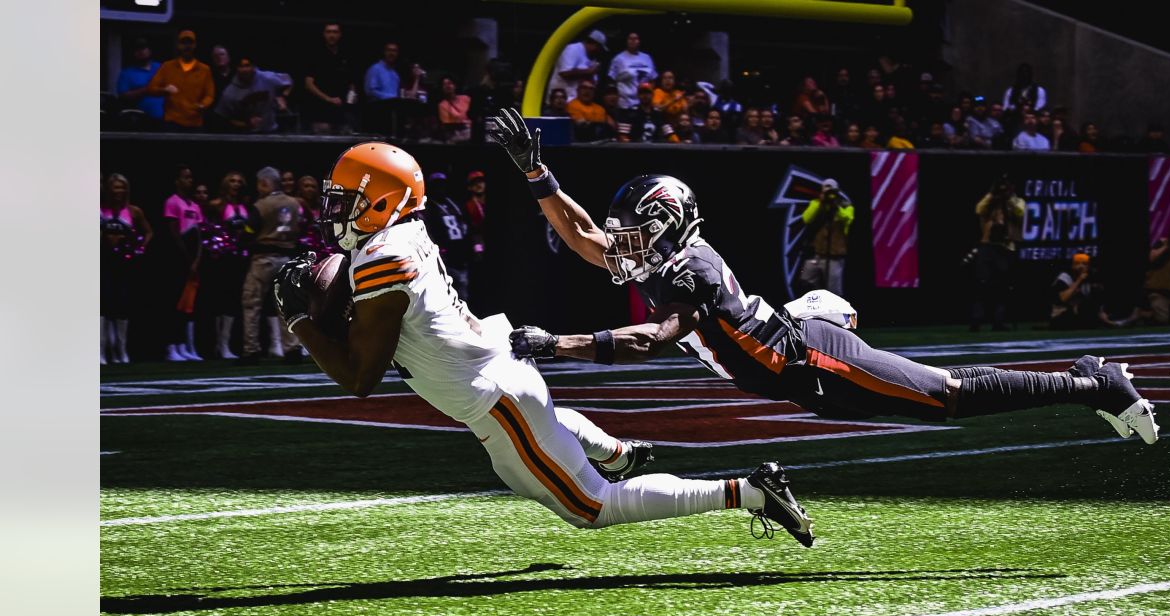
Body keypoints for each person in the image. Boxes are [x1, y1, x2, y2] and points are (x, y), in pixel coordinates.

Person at [486, 108, 1159, 451]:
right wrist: (535, 173)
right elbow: (580, 235)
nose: (623, 247)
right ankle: (1087, 377)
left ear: (665, 225)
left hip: (813, 358)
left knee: (950, 397)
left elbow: (654, 339)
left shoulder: (685, 268)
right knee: (936, 404)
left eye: (635, 233)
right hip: (798, 371)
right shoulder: (666, 258)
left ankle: (1093, 381)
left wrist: (563, 344)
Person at [272, 141, 814, 545]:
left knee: (591, 508)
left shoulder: (385, 256)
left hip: (492, 393)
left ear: (381, 200)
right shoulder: (402, 234)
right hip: (496, 366)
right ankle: (619, 452)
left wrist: (300, 320)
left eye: (346, 198)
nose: (334, 208)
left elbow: (360, 378)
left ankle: (749, 490)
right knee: (548, 435)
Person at [240, 167, 304, 364]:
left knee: (252, 304)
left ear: (266, 183)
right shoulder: (295, 204)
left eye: (260, 184)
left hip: (264, 259)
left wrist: (243, 236)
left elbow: (249, 230)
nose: (258, 188)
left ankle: (251, 351)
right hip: (287, 260)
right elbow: (302, 226)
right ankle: (292, 349)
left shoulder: (261, 205)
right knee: (286, 307)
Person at [100, 174, 153, 365]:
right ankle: (102, 350)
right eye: (115, 187)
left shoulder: (133, 211)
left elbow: (149, 231)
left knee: (122, 304)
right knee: (103, 304)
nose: (119, 191)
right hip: (103, 261)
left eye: (122, 187)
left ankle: (121, 350)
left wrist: (139, 247)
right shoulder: (100, 210)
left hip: (124, 263)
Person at [206, 171, 253, 359]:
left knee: (233, 300)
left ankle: (225, 344)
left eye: (239, 181)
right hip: (220, 259)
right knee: (218, 299)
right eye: (232, 181)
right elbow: (208, 230)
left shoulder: (245, 207)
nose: (236, 184)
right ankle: (216, 343)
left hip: (239, 259)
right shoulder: (216, 206)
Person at [162, 165, 205, 361]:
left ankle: (185, 346)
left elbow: (199, 234)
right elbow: (174, 233)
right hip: (178, 260)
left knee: (189, 306)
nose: (189, 181)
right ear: (177, 181)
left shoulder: (195, 206)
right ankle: (172, 346)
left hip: (193, 261)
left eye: (191, 177)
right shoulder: (172, 202)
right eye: (185, 177)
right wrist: (187, 259)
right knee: (175, 303)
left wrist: (196, 259)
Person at [970, 176, 1025, 331]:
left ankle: (998, 321)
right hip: (988, 247)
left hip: (1006, 247)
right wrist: (992, 194)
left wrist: (1009, 198)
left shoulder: (1017, 201)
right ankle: (976, 321)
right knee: (981, 284)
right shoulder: (989, 203)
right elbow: (978, 209)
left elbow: (1020, 211)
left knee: (1002, 287)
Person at [419, 172, 474, 301]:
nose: (440, 189)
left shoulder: (453, 204)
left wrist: (471, 246)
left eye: (442, 185)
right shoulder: (429, 207)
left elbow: (465, 224)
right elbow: (427, 230)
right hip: (444, 257)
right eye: (437, 186)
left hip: (460, 255)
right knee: (448, 293)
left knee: (463, 292)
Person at [146, 30, 215, 131]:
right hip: (172, 122)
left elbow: (210, 95)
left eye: (190, 43)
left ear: (195, 45)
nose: (187, 46)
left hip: (195, 123)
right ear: (178, 46)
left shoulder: (205, 70)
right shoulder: (167, 67)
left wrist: (202, 105)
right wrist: (164, 90)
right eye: (183, 43)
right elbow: (151, 88)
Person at [798, 179, 853, 295]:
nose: (829, 192)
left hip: (834, 257)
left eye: (831, 189)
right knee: (806, 281)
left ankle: (836, 311)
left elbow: (847, 218)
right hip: (816, 254)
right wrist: (820, 202)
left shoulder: (846, 206)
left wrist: (835, 206)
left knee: (834, 291)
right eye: (826, 188)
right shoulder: (816, 203)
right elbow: (806, 218)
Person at [303, 23, 356, 134]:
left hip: (341, 109)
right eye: (328, 32)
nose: (332, 35)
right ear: (324, 34)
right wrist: (328, 99)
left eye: (335, 32)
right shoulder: (315, 54)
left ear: (340, 35)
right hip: (320, 108)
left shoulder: (345, 55)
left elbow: (351, 82)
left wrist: (351, 97)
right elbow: (308, 84)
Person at [213, 58, 292, 133]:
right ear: (236, 68)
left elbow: (289, 80)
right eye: (241, 66)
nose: (244, 70)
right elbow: (227, 119)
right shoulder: (230, 92)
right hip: (245, 135)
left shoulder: (268, 78)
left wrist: (282, 96)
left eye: (247, 65)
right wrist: (247, 123)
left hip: (271, 131)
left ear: (254, 67)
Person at [114, 37, 164, 128]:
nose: (141, 51)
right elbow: (123, 96)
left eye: (143, 48)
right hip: (140, 122)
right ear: (133, 53)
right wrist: (145, 90)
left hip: (167, 120)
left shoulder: (162, 68)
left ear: (149, 51)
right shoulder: (126, 73)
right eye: (137, 49)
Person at [549, 29, 608, 103]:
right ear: (594, 44)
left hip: (577, 102)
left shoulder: (593, 58)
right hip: (561, 100)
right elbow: (564, 73)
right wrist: (589, 72)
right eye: (599, 48)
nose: (599, 51)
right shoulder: (573, 49)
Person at [1050, 253, 1102, 329]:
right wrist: (1079, 280)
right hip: (1062, 313)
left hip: (1080, 312)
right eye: (1077, 263)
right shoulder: (1065, 277)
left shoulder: (1092, 276)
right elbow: (1063, 298)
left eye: (1084, 264)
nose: (1081, 266)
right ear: (1073, 265)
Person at [607, 32, 656, 110]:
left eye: (635, 38)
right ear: (627, 41)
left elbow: (652, 79)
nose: (633, 41)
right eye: (630, 38)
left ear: (639, 41)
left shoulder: (647, 58)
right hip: (625, 104)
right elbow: (612, 81)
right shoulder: (618, 59)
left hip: (644, 105)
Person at [1144, 224, 1170, 325]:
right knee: (1162, 319)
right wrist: (1168, 246)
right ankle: (1144, 314)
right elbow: (1151, 258)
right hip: (1161, 291)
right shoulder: (1162, 243)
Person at [437, 75, 472, 144]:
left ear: (455, 85)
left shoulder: (466, 98)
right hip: (457, 134)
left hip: (473, 130)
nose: (447, 86)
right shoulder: (442, 105)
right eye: (444, 84)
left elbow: (474, 113)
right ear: (442, 88)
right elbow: (448, 124)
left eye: (450, 83)